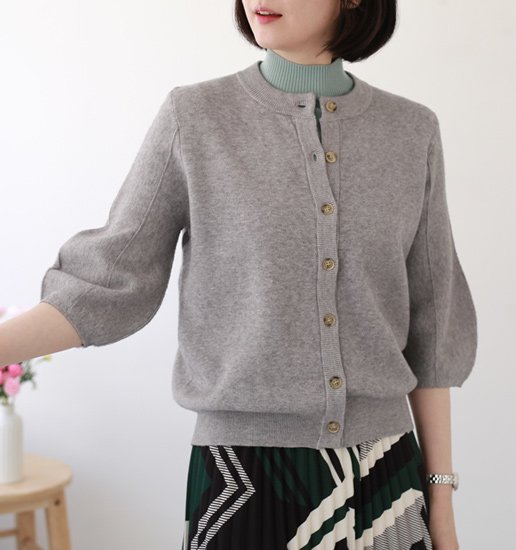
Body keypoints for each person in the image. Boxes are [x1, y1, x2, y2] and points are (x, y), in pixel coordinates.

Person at [0, 1, 478, 548]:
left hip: (387, 478)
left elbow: (432, 329)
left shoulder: (412, 132)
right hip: (243, 478)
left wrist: (441, 498)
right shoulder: (195, 117)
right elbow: (108, 284)